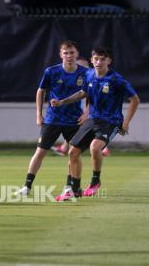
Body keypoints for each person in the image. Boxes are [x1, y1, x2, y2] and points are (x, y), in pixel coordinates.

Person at [52, 47, 139, 201]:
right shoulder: (89, 74)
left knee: (95, 147)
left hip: (111, 121)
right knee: (72, 152)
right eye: (96, 59)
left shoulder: (116, 79)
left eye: (103, 59)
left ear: (109, 61)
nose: (99, 62)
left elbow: (135, 100)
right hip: (93, 119)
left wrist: (125, 123)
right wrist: (62, 102)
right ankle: (74, 190)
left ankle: (95, 180)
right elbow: (83, 93)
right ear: (91, 60)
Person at [15, 40, 88, 196]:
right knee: (40, 152)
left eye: (72, 53)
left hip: (74, 120)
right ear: (60, 54)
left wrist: (86, 112)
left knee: (73, 153)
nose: (69, 56)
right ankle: (27, 186)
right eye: (66, 53)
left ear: (77, 54)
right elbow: (40, 91)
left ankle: (69, 186)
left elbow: (89, 93)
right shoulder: (52, 71)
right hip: (53, 119)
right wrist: (38, 114)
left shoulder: (85, 73)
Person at [51, 56, 111, 157]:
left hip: (93, 109)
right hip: (81, 106)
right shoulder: (76, 77)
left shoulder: (93, 76)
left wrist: (86, 111)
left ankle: (103, 149)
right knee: (78, 129)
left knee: (87, 128)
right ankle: (64, 148)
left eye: (83, 65)